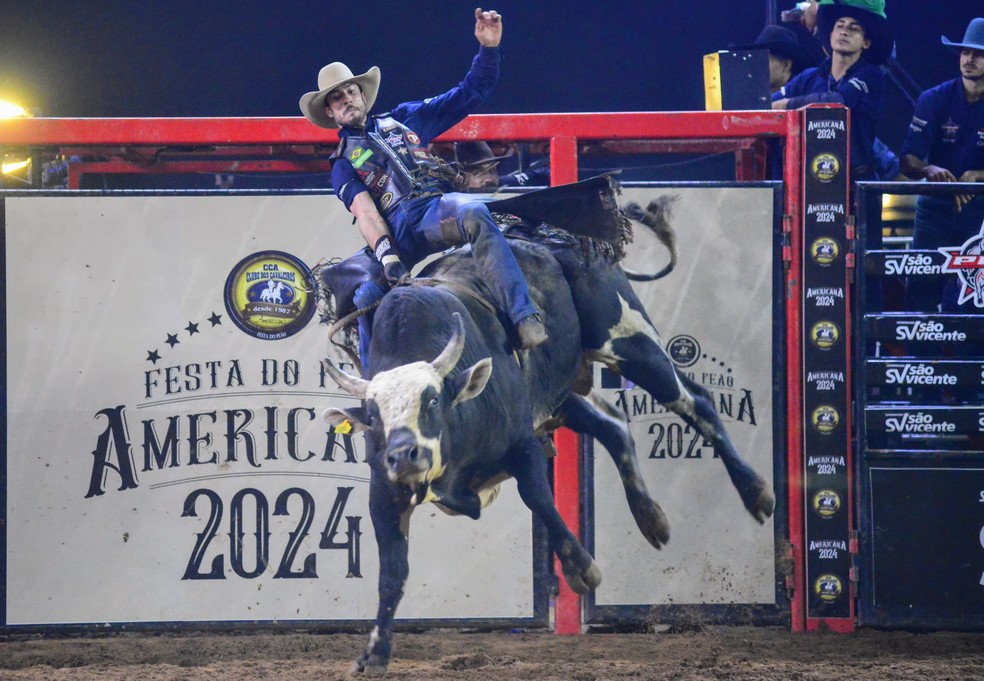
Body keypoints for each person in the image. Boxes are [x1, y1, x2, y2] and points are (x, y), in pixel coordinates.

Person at [299, 8, 547, 354]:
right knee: (365, 295)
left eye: (350, 92)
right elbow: (367, 214)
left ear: (362, 95)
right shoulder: (342, 163)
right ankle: (375, 385)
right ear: (330, 112)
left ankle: (523, 316)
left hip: (433, 210)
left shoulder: (405, 119)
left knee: (474, 213)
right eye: (337, 99)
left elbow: (470, 92)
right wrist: (387, 257)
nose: (346, 100)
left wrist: (488, 49)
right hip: (396, 232)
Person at [901, 17, 984, 312]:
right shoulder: (933, 99)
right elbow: (909, 158)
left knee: (976, 294)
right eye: (965, 52)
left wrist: (978, 175)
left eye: (977, 53)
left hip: (980, 210)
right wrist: (929, 170)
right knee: (922, 286)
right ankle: (916, 359)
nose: (969, 59)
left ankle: (975, 359)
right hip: (935, 204)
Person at [772, 0, 893, 185]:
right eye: (839, 26)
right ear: (830, 36)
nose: (844, 31)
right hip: (812, 181)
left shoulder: (871, 75)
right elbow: (767, 103)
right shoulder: (809, 78)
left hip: (857, 183)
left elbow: (838, 101)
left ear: (866, 43)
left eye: (854, 29)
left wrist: (787, 104)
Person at [731, 24, 817, 93]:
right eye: (756, 61)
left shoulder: (805, 96)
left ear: (786, 65)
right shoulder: (748, 96)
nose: (757, 67)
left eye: (763, 61)